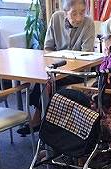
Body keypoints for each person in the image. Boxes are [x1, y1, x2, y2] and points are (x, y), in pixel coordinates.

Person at [19, 0, 96, 134]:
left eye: (82, 12)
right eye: (74, 13)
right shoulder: (56, 18)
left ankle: (40, 118)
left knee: (49, 81)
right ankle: (44, 119)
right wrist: (57, 59)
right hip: (58, 66)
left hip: (80, 70)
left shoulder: (88, 23)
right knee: (44, 78)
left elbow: (86, 53)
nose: (79, 18)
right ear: (65, 12)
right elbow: (48, 47)